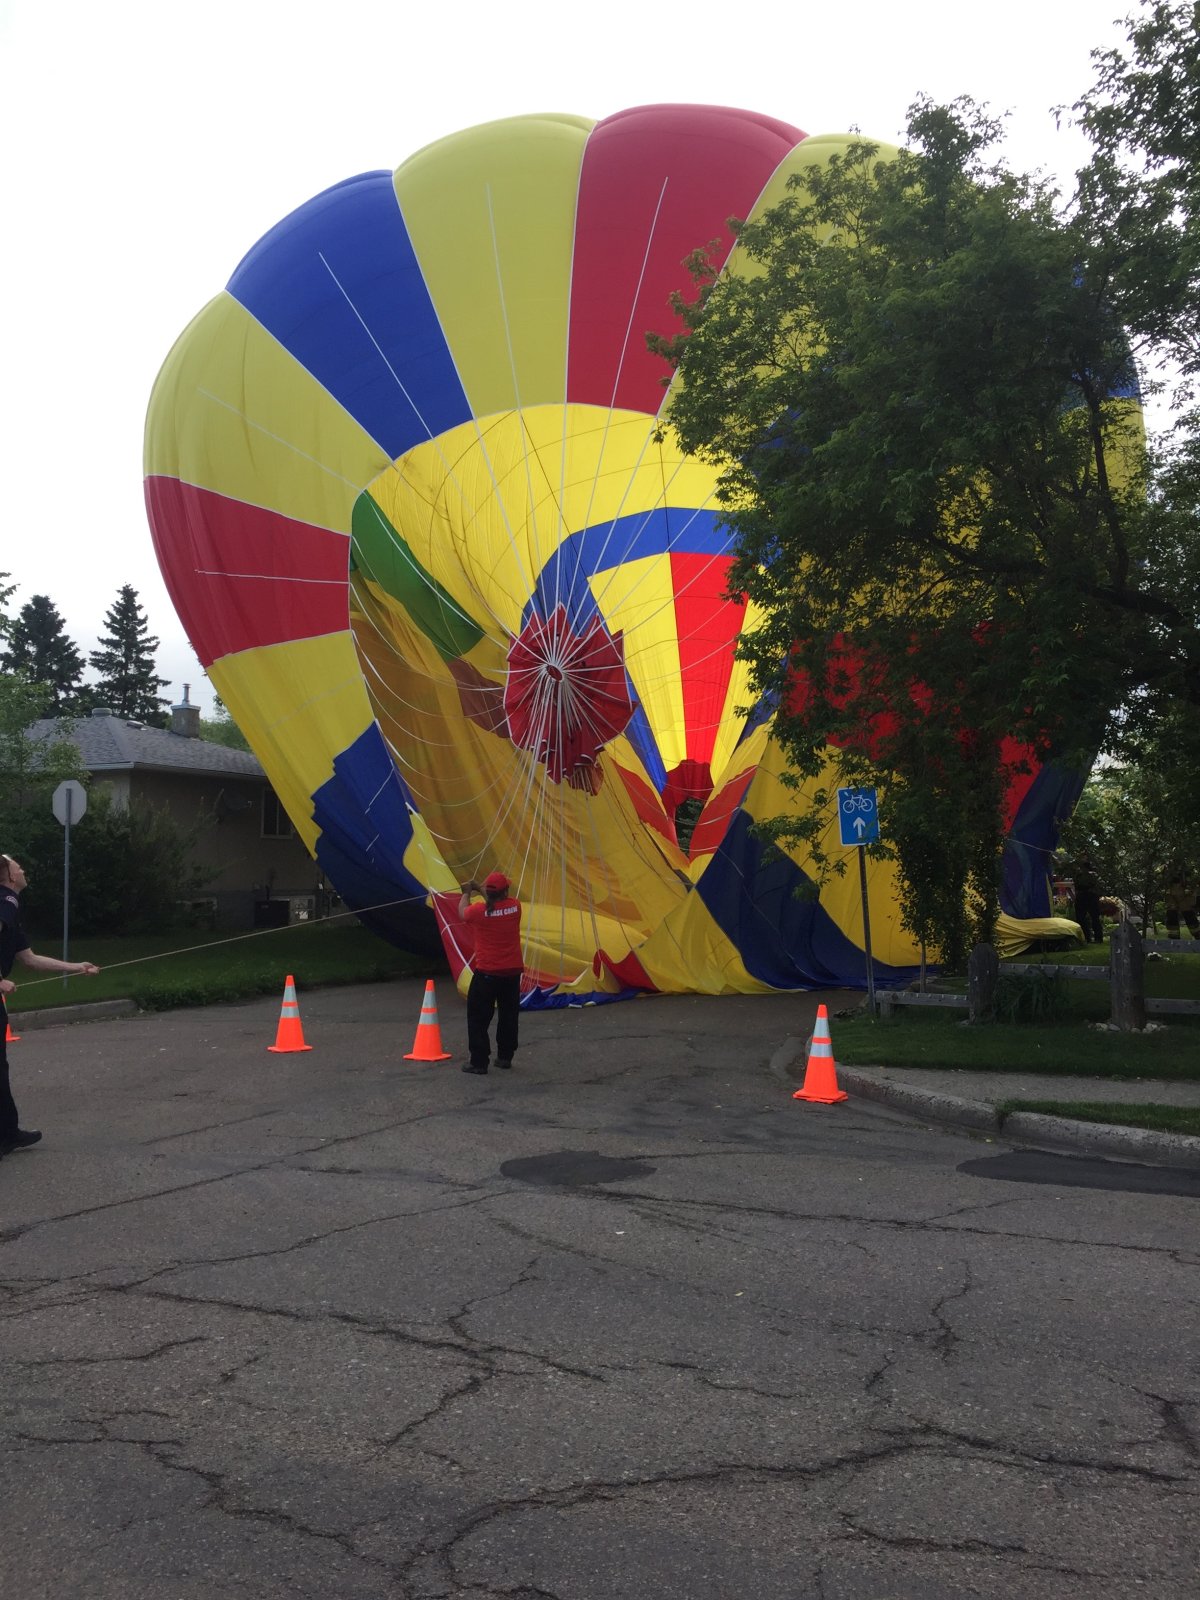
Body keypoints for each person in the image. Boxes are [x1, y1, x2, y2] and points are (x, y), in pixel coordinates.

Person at [0, 853, 100, 1157]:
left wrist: (75, 967)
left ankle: (7, 1133)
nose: (23, 869)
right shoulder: (6, 901)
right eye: (18, 866)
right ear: (7, 875)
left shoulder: (10, 908)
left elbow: (30, 959)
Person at [458, 870, 522, 1075]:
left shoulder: (478, 912)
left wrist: (466, 893)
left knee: (478, 1017)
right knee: (508, 1014)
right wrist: (480, 889)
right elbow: (495, 905)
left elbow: (463, 912)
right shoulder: (515, 907)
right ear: (506, 891)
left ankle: (478, 1061)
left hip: (488, 972)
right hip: (511, 972)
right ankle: (505, 1056)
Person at [1071, 853, 1105, 944]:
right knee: (1093, 918)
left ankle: (1087, 937)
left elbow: (1077, 885)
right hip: (1090, 896)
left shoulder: (1083, 874)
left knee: (1084, 918)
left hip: (1086, 896)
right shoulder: (1092, 874)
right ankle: (1095, 937)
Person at [1164, 869, 1200, 940]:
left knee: (1190, 919)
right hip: (1175, 904)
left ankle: (1197, 935)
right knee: (1173, 918)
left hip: (1184, 904)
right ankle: (1174, 938)